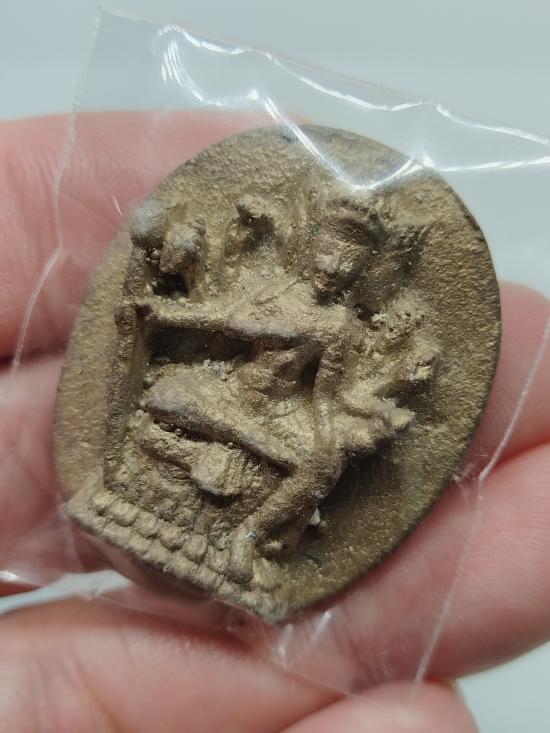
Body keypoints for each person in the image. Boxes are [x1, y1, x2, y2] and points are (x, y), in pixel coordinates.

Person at [0, 113, 549, 732]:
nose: (335, 265)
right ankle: (187, 474)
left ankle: (248, 536)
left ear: (361, 271)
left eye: (350, 260)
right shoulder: (266, 289)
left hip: (280, 413)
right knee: (171, 396)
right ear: (309, 245)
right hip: (217, 392)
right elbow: (218, 322)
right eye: (330, 249)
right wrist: (158, 314)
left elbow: (323, 396)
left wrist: (331, 435)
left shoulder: (338, 328)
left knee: (322, 461)